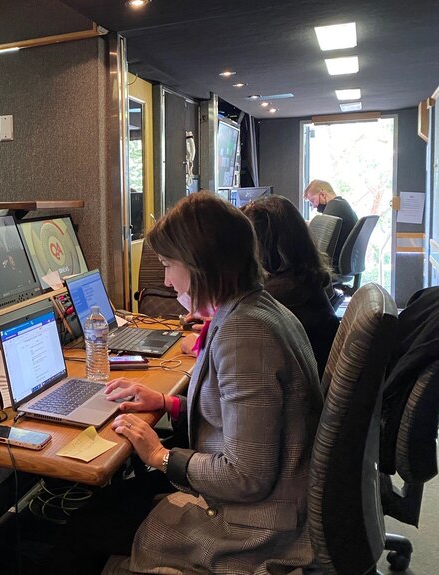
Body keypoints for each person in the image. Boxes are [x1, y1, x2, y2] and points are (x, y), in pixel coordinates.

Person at [104, 193, 323, 574]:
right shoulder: (256, 307)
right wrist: (166, 401)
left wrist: (160, 456)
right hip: (274, 498)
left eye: (169, 266)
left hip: (258, 524)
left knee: (88, 528)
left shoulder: (244, 331)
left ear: (201, 264)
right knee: (109, 509)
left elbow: (246, 475)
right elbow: (246, 417)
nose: (169, 282)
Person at [242, 195, 340, 377]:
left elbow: (243, 353)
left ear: (264, 247)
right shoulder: (303, 281)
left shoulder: (279, 296)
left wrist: (200, 345)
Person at [303, 179, 358, 269]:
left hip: (331, 266)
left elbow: (320, 244)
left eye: (313, 201)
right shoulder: (342, 204)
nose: (313, 206)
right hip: (345, 264)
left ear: (323, 194)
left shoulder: (333, 207)